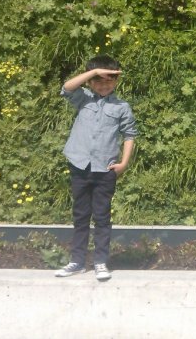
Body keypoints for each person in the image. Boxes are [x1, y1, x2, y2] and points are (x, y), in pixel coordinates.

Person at [55, 55, 138, 281]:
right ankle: (77, 262)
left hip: (105, 169)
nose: (104, 85)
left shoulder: (122, 107)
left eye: (109, 80)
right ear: (91, 82)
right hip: (80, 165)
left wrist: (124, 163)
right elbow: (67, 87)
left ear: (116, 82)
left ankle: (100, 262)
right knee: (81, 215)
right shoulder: (83, 99)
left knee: (102, 216)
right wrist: (93, 72)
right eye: (99, 81)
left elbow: (129, 135)